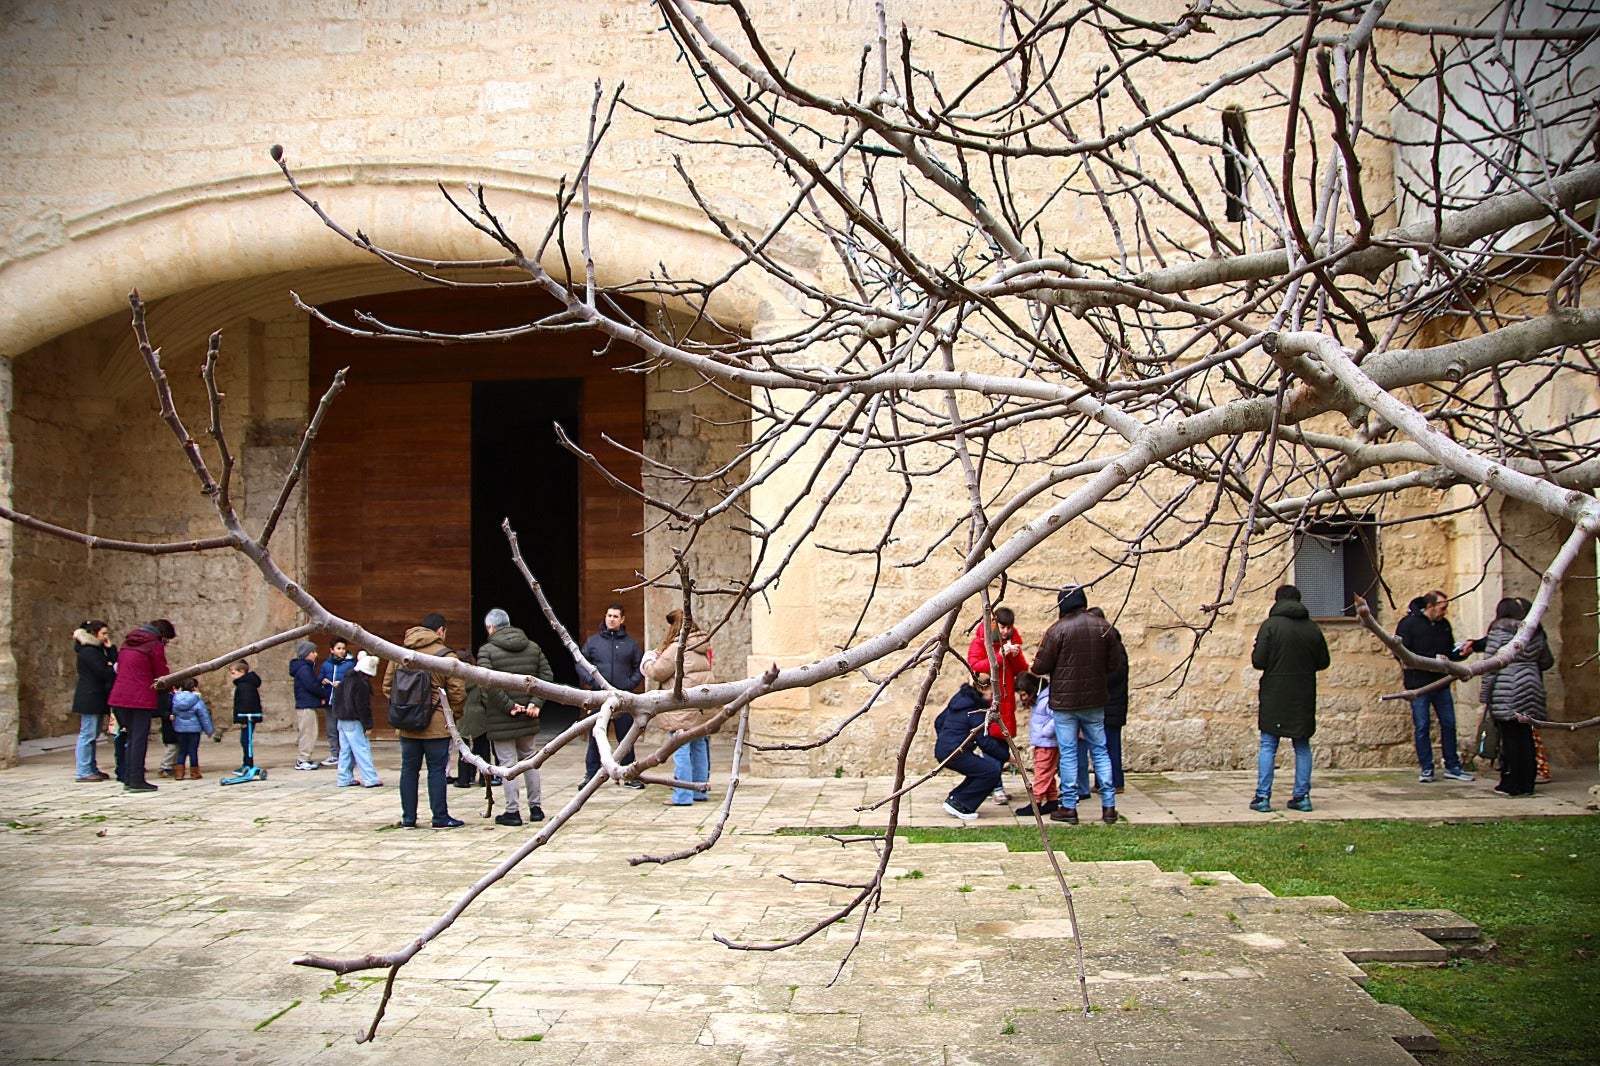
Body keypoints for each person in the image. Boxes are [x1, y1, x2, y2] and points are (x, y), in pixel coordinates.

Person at [1031, 584, 1125, 825]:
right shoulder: (1104, 627)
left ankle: (1070, 806)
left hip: (1065, 702)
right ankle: (1109, 806)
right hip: (1095, 700)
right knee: (1100, 750)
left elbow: (1040, 667)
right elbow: (1115, 662)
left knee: (1069, 753)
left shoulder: (1057, 630)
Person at [1248, 585, 1330, 813]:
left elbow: (1258, 660)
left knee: (1268, 745)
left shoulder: (1271, 626)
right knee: (1302, 744)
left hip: (1275, 691)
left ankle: (1263, 797)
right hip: (1303, 692)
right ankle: (1302, 796)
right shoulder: (1312, 628)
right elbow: (1323, 661)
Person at [384, 613, 467, 829]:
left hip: (407, 726)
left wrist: (406, 709)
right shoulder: (447, 657)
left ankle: (408, 819)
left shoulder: (400, 654)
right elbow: (458, 693)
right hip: (437, 726)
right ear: (440, 631)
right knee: (436, 770)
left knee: (408, 770)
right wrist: (451, 717)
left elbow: (387, 688)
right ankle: (439, 818)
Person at [477, 608, 554, 826]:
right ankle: (536, 808)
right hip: (529, 716)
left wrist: (509, 706)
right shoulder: (532, 647)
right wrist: (535, 703)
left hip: (501, 718)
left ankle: (512, 811)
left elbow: (487, 683)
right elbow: (546, 676)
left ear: (491, 627)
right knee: (530, 761)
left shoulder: (487, 650)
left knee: (508, 765)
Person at [1395, 590, 1474, 783]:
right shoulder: (1409, 624)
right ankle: (1427, 767)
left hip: (1441, 682)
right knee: (1422, 725)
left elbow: (1448, 651)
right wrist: (1426, 661)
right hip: (1419, 684)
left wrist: (1462, 653)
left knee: (1449, 724)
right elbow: (1401, 652)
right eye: (1442, 607)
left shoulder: (1443, 625)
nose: (1444, 612)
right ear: (1430, 607)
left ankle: (1452, 765)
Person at [1479, 598, 1553, 797]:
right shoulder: (1535, 632)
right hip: (1532, 687)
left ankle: (1511, 784)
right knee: (1526, 736)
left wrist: (1485, 695)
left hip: (1506, 688)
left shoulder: (1498, 631)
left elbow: (1491, 665)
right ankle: (1527, 783)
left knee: (1509, 737)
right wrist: (1529, 666)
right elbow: (1547, 660)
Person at [642, 609, 715, 806]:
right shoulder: (702, 643)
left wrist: (648, 660)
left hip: (681, 706)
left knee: (680, 748)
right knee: (699, 746)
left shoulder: (678, 647)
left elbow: (657, 672)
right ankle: (699, 790)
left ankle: (682, 795)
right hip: (699, 705)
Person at [965, 605, 1030, 803]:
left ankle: (995, 785)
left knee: (1000, 742)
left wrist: (1015, 655)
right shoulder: (981, 641)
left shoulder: (1012, 640)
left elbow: (1022, 669)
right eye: (1002, 627)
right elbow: (975, 665)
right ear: (993, 625)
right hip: (989, 698)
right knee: (992, 743)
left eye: (1008, 628)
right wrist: (1001, 655)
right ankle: (996, 787)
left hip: (1006, 699)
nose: (1005, 631)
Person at [578, 603, 646, 789]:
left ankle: (629, 776)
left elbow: (639, 668)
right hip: (599, 698)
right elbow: (581, 664)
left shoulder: (631, 644)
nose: (611, 619)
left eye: (615, 616)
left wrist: (629, 685)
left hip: (623, 699)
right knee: (595, 736)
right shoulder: (593, 642)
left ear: (622, 619)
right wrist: (592, 683)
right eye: (609, 615)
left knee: (626, 738)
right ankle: (591, 775)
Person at [106, 619, 177, 793]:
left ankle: (128, 778)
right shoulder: (154, 645)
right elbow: (161, 672)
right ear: (162, 635)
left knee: (130, 738)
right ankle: (137, 779)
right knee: (138, 739)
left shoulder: (126, 643)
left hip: (119, 696)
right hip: (140, 697)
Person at [933, 674, 1002, 822]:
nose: (992, 697)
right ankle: (960, 804)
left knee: (980, 771)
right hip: (955, 751)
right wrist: (1007, 756)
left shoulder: (959, 701)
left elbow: (939, 721)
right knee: (991, 771)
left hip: (945, 749)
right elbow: (984, 741)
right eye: (992, 692)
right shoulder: (976, 709)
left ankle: (955, 798)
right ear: (984, 690)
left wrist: (946, 739)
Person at [71, 620, 117, 783]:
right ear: (93, 633)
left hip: (96, 696)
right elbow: (105, 671)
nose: (106, 637)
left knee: (93, 734)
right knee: (87, 734)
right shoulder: (88, 652)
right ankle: (83, 771)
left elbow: (115, 664)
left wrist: (109, 649)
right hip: (90, 696)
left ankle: (91, 767)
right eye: (103, 633)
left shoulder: (97, 650)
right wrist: (110, 666)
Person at [332, 651, 383, 788]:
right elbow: (363, 707)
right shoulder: (361, 684)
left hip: (341, 720)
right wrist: (368, 725)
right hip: (354, 721)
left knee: (345, 751)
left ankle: (344, 778)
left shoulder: (344, 681)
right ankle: (370, 778)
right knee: (362, 749)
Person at [1013, 672, 1060, 816]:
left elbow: (1056, 717)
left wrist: (1045, 732)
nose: (1023, 698)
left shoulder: (1046, 700)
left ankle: (1036, 802)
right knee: (1048, 772)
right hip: (1042, 742)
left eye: (1024, 694)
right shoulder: (1040, 699)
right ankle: (1052, 800)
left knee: (1042, 772)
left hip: (1048, 743)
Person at [318, 639, 357, 768]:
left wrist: (342, 684)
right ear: (331, 650)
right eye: (338, 648)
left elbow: (354, 681)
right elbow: (320, 678)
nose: (341, 651)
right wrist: (322, 680)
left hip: (344, 702)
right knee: (331, 729)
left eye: (343, 648)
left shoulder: (350, 665)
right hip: (330, 701)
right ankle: (334, 754)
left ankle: (347, 755)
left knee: (345, 730)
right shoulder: (326, 665)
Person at [168, 678, 214, 779]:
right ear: (194, 688)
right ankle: (194, 773)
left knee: (182, 751)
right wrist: (209, 730)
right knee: (193, 751)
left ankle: (179, 773)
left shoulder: (176, 699)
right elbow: (204, 717)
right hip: (194, 729)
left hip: (180, 729)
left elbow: (174, 713)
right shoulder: (197, 701)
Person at [289, 641, 324, 771]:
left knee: (310, 732)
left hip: (307, 704)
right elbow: (311, 686)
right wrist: (324, 693)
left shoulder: (305, 667)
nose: (316, 654)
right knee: (307, 733)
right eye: (313, 652)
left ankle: (306, 758)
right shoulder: (304, 669)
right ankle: (302, 759)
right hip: (306, 706)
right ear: (306, 654)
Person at [229, 660, 263, 769]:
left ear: (242, 672)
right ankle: (246, 763)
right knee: (245, 741)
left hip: (247, 717)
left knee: (246, 741)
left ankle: (248, 765)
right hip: (248, 716)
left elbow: (246, 703)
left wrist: (243, 719)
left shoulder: (244, 686)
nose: (231, 676)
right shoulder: (244, 684)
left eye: (233, 673)